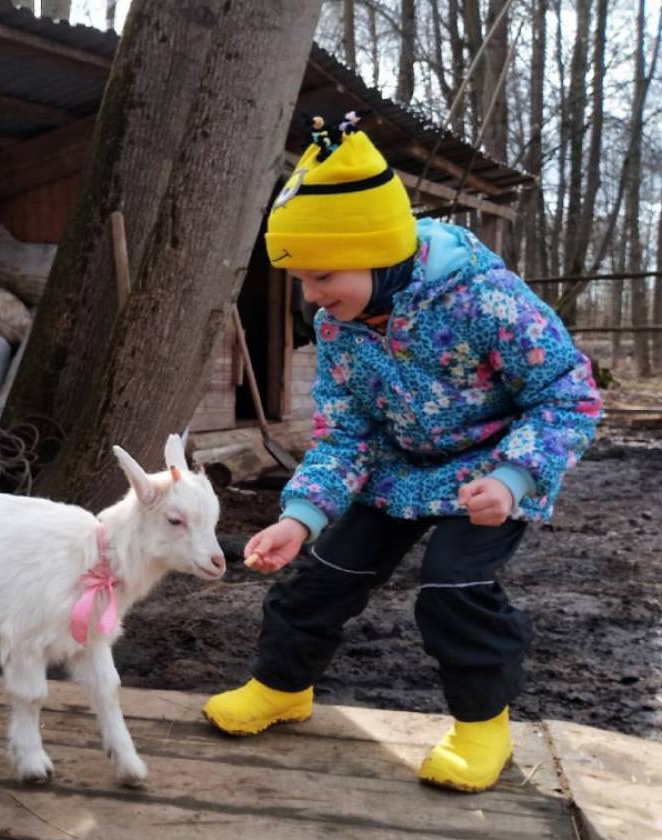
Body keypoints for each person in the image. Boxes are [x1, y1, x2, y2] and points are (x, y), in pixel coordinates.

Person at [201, 119, 603, 793]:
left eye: (322, 276)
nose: (312, 297)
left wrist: (513, 477)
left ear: (380, 250)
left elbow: (570, 396)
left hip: (490, 473)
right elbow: (345, 430)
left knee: (453, 586)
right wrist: (300, 518)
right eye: (301, 280)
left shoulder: (483, 296)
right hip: (394, 470)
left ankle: (481, 726)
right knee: (320, 574)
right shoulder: (339, 325)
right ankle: (280, 686)